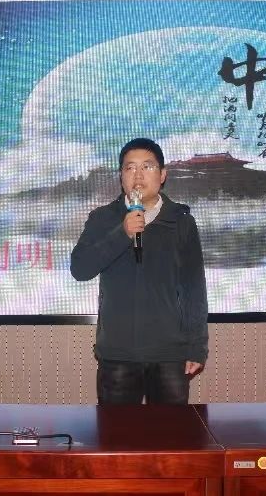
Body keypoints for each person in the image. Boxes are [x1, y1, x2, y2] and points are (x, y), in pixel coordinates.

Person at [70, 137, 208, 404]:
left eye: (147, 166)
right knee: (116, 430)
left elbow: (194, 290)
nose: (138, 175)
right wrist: (122, 233)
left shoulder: (181, 222)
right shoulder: (102, 218)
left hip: (169, 354)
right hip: (117, 354)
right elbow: (80, 269)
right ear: (121, 176)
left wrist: (197, 347)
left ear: (162, 175)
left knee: (170, 430)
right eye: (130, 168)